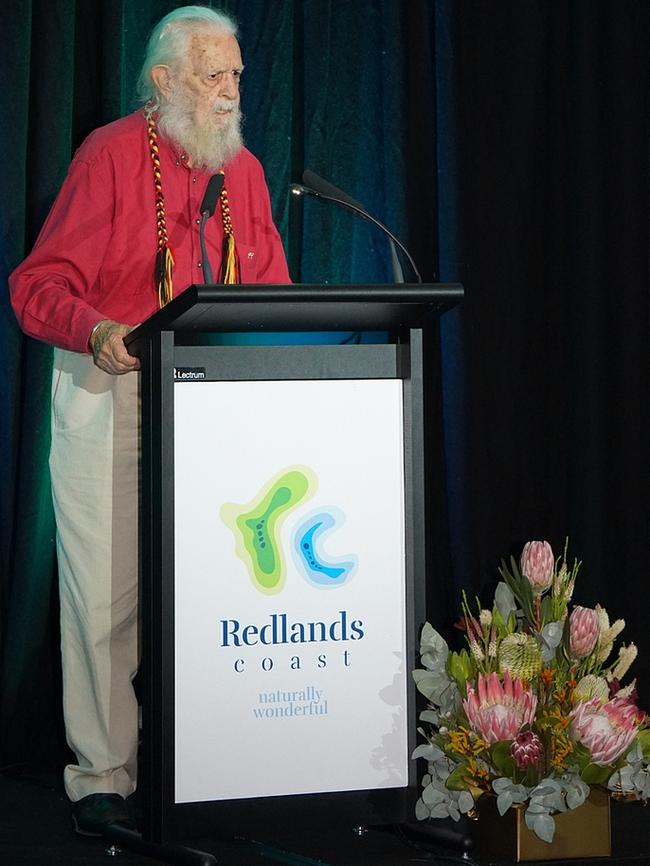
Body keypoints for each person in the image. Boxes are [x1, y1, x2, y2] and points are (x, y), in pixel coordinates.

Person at [9, 5, 290, 836]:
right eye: (215, 75)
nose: (232, 92)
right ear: (163, 80)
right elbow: (37, 285)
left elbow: (271, 291)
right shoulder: (109, 154)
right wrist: (95, 330)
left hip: (213, 397)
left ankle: (209, 757)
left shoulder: (244, 172)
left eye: (237, 74)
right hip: (114, 384)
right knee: (105, 597)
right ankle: (102, 776)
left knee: (216, 587)